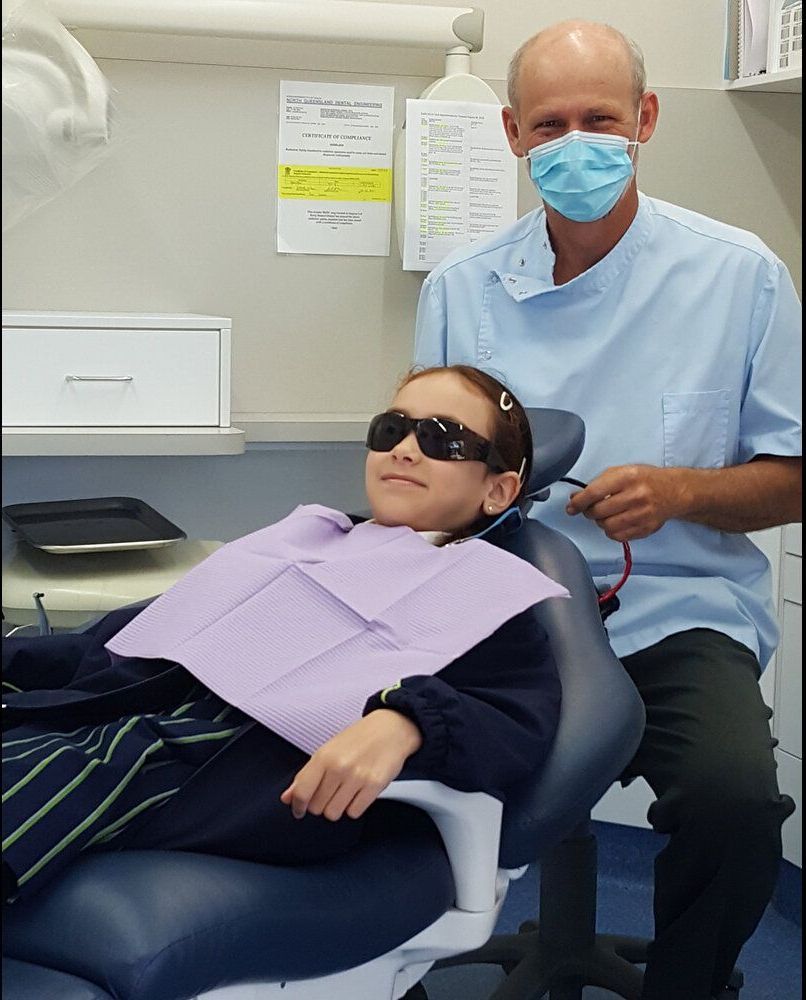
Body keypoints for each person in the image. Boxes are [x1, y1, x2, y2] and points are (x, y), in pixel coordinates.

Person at [413, 19, 802, 1000]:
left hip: (676, 612)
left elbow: (792, 476)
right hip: (504, 612)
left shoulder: (739, 276)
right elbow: (418, 493)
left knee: (733, 804)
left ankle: (688, 982)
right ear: (510, 134)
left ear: (646, 120)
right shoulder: (462, 291)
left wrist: (682, 492)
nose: (574, 143)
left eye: (599, 119)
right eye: (550, 124)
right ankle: (387, 971)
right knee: (372, 747)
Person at [2, 365, 564, 904]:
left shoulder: (483, 591)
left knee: (66, 766)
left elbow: (514, 714)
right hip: (149, 705)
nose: (404, 448)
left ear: (498, 489)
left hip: (250, 763)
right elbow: (138, 636)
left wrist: (405, 722)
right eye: (391, 429)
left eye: (443, 439)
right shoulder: (306, 543)